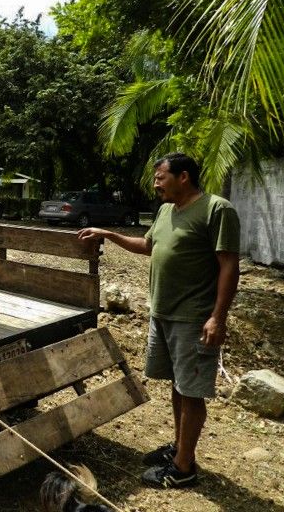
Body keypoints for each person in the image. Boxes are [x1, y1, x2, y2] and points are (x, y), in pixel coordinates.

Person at [78, 153, 240, 489]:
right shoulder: (166, 210)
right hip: (162, 314)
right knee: (177, 386)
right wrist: (108, 233)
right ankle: (180, 448)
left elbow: (229, 265)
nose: (155, 183)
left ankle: (183, 469)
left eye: (160, 177)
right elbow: (147, 245)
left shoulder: (216, 208)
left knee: (191, 392)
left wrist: (217, 318)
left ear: (183, 177)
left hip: (193, 318)